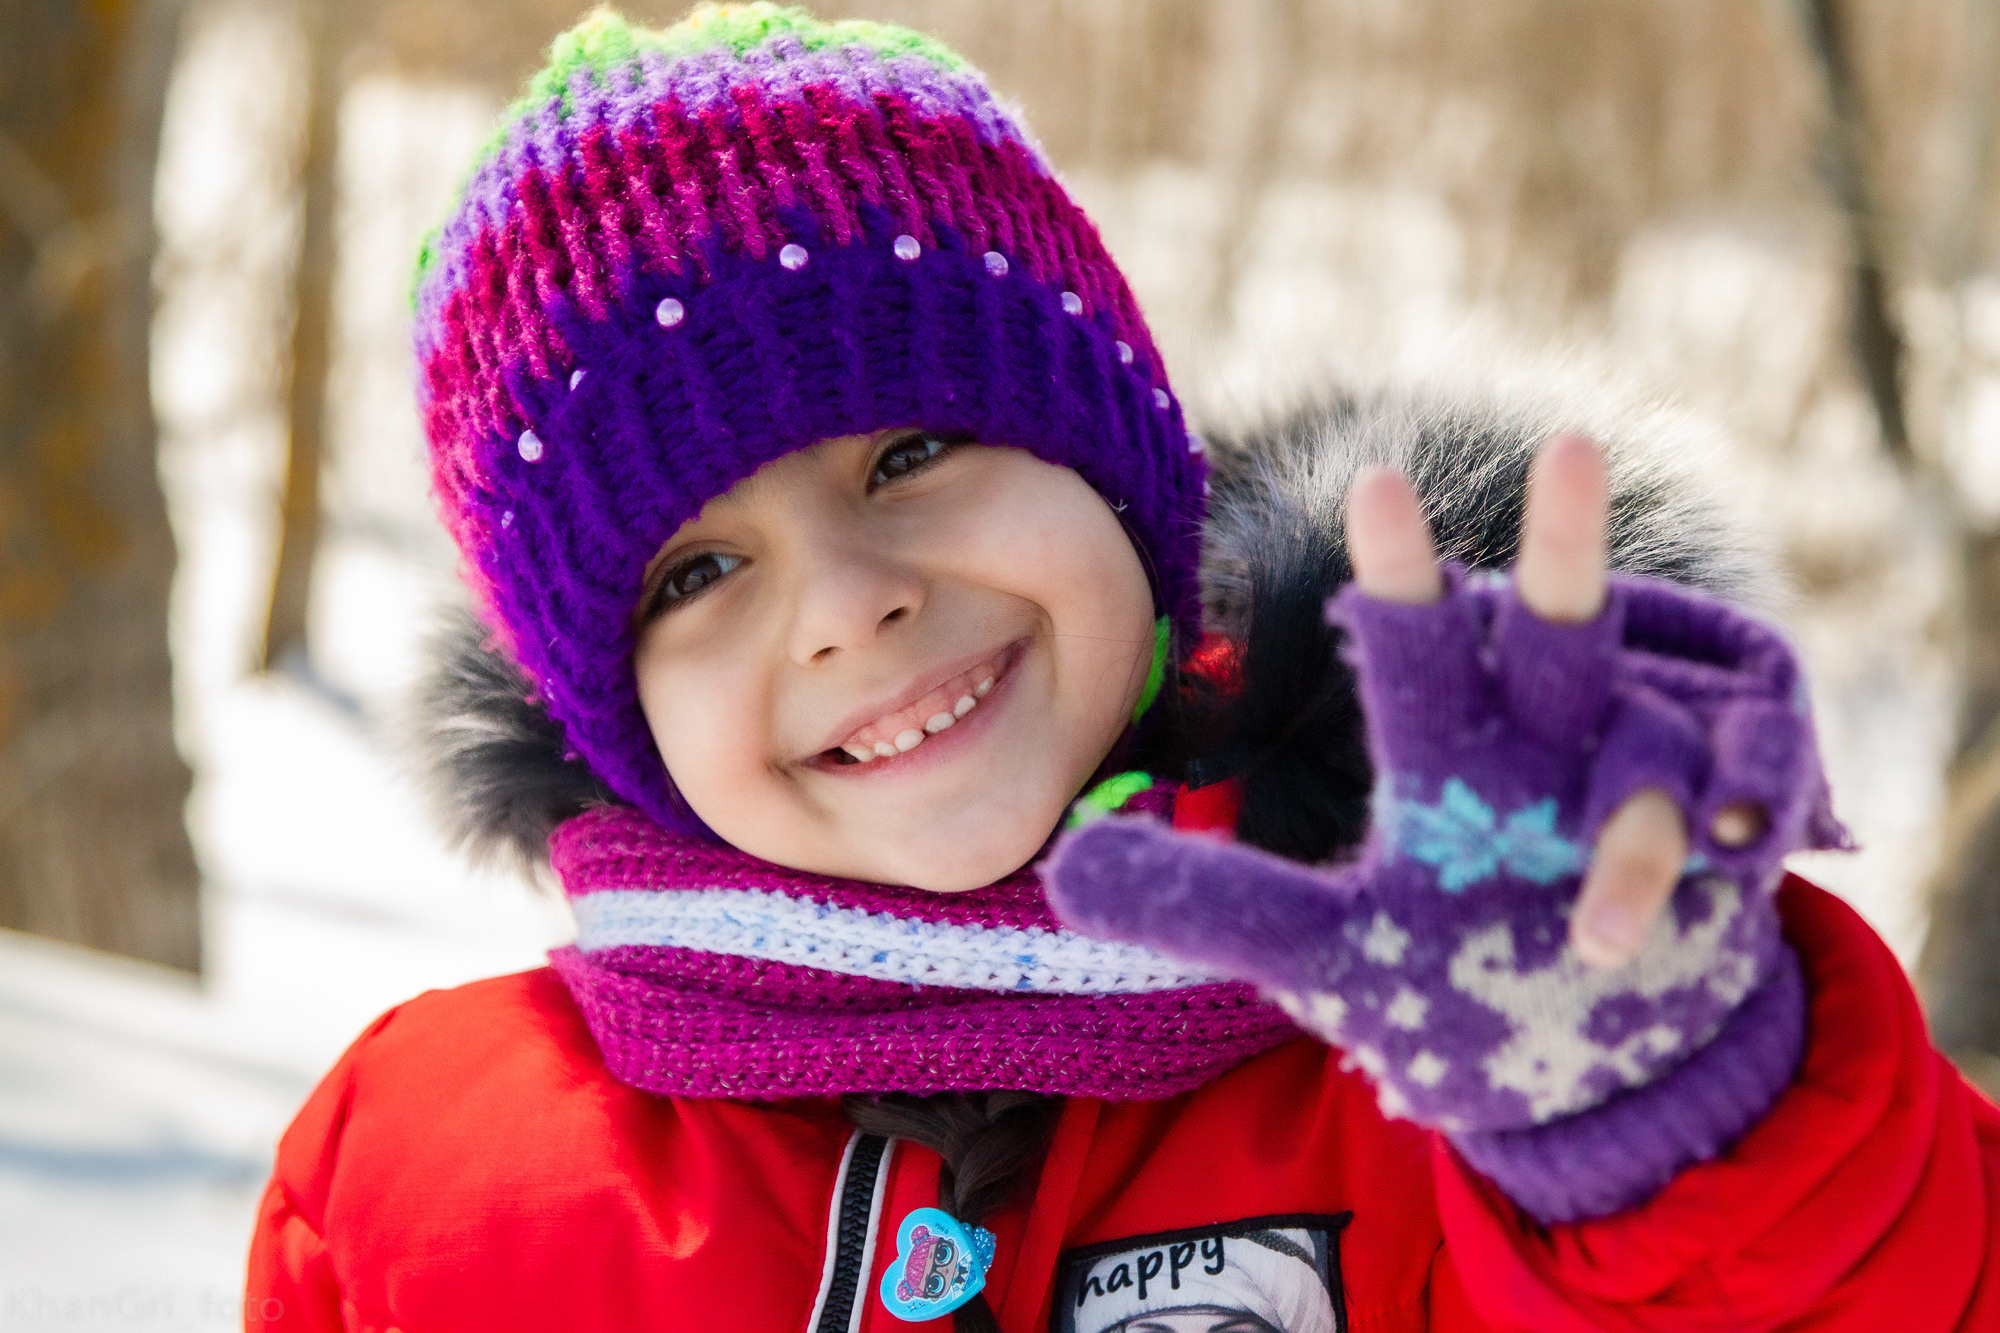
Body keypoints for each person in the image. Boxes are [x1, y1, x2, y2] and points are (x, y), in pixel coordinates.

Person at [244, 5, 2000, 1329]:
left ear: (1128, 472)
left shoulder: (1448, 1037)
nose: (846, 608)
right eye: (697, 571)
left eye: (912, 453)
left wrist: (1672, 1117)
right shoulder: (423, 1177)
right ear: (599, 703)